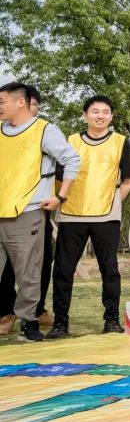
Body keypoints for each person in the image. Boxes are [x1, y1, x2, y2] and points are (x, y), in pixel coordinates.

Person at [48, 95, 130, 337]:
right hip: (71, 213)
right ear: (84, 115)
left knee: (109, 270)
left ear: (111, 116)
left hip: (106, 216)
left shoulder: (121, 142)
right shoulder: (70, 141)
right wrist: (61, 199)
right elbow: (59, 178)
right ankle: (60, 323)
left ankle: (111, 320)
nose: (100, 116)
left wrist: (113, 203)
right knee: (63, 270)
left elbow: (128, 179)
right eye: (95, 111)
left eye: (105, 112)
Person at [0, 82, 79, 343]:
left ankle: (28, 323)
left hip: (27, 213)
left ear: (20, 102)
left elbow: (72, 159)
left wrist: (60, 196)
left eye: (2, 102)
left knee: (28, 273)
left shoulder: (44, 130)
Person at [0, 88, 55, 335]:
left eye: (36, 105)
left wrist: (58, 197)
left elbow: (66, 166)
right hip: (5, 210)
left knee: (36, 267)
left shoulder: (44, 132)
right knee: (8, 271)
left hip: (33, 211)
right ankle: (6, 312)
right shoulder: (5, 133)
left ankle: (33, 314)